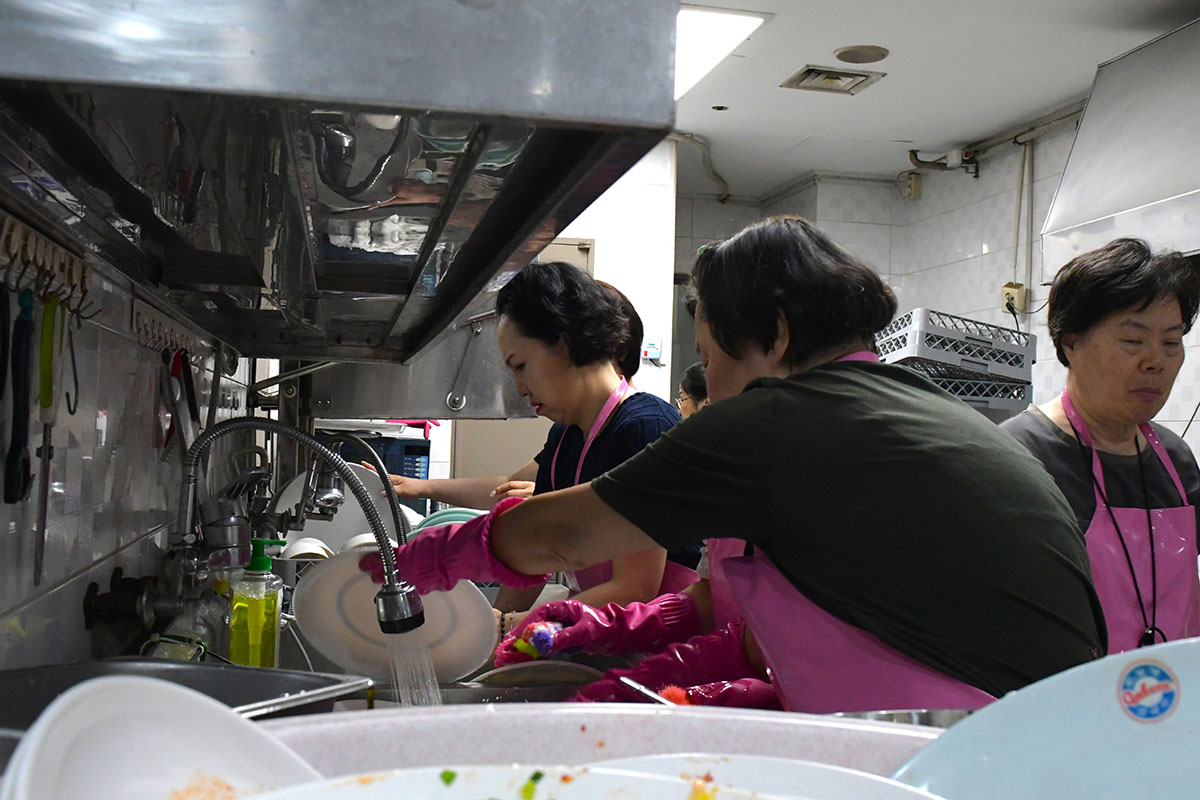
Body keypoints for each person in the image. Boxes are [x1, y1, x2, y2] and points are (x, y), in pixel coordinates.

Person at [363, 217, 1105, 713]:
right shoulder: (908, 407)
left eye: (711, 357)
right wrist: (630, 639)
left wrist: (419, 561)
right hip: (1044, 732)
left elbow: (564, 535)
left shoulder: (781, 418)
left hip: (956, 744)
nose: (709, 387)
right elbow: (747, 615)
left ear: (775, 337)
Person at [375, 261, 695, 636]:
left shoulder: (643, 427)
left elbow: (635, 588)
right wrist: (491, 630)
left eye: (521, 365)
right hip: (608, 633)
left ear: (563, 344)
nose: (519, 388)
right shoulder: (565, 436)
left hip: (666, 638)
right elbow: (535, 555)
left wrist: (507, 627)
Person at [1002, 238, 1200, 653]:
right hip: (1065, 689)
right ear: (1071, 343)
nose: (1155, 361)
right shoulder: (1018, 456)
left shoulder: (1175, 459)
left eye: (1171, 342)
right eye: (1133, 341)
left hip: (1172, 686)